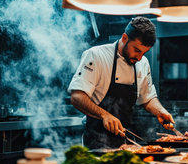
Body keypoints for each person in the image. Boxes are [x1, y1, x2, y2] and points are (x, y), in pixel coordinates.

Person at [68, 17, 175, 149]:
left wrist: (160, 111)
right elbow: (77, 97)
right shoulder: (96, 56)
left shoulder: (143, 63)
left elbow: (147, 97)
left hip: (127, 141)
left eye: (144, 53)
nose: (140, 57)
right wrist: (104, 115)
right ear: (124, 38)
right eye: (136, 50)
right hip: (97, 142)